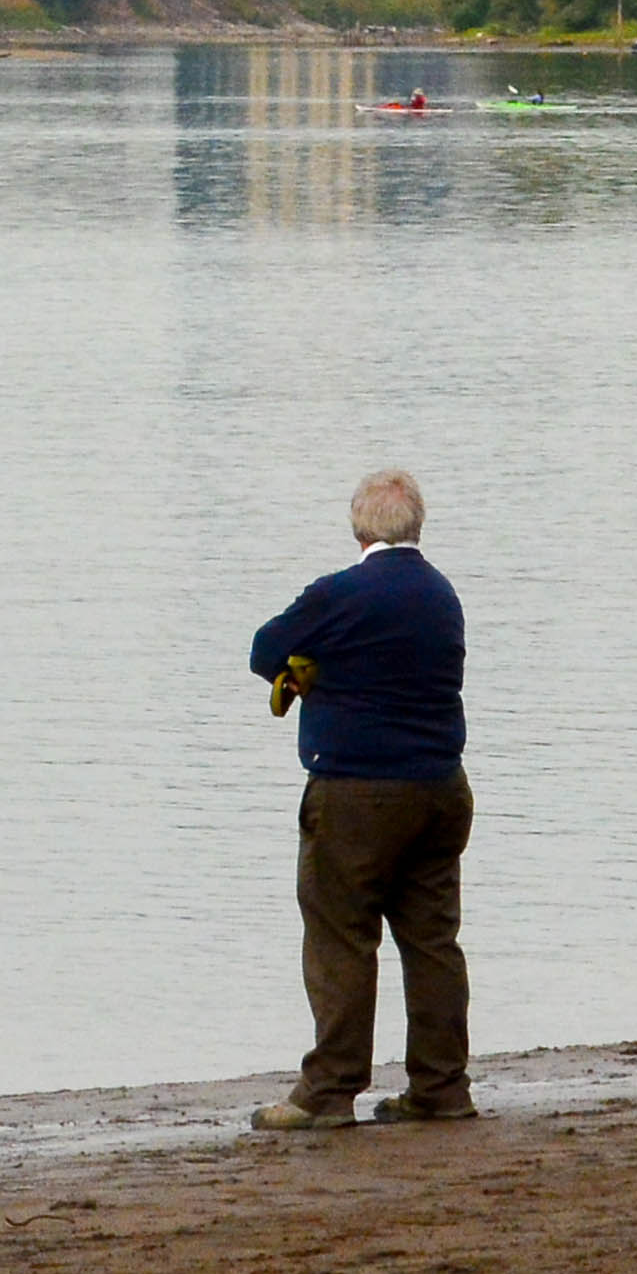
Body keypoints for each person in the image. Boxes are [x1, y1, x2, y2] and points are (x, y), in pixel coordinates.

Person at [245, 468, 470, 1129]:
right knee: (431, 941)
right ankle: (441, 1088)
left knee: (340, 938)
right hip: (440, 788)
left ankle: (328, 1091)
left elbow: (264, 650)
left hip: (355, 792)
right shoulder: (441, 594)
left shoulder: (338, 594)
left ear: (358, 527)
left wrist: (303, 673)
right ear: (416, 527)